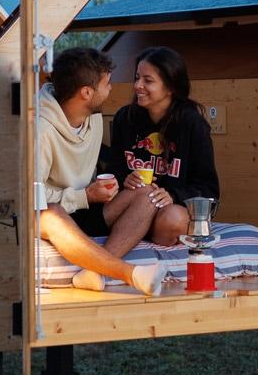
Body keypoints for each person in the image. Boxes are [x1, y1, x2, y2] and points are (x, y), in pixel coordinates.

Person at [35, 46, 161, 295]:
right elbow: (30, 196)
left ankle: (92, 272)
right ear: (86, 92)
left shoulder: (93, 118)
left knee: (148, 195)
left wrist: (106, 189)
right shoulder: (40, 130)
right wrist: (84, 196)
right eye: (107, 83)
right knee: (50, 212)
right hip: (52, 213)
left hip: (86, 207)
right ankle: (130, 274)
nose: (111, 89)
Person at [100, 45, 219, 257]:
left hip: (168, 212)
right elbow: (114, 168)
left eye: (148, 80)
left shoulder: (192, 124)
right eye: (137, 77)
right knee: (143, 197)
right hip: (132, 204)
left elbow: (208, 189)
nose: (138, 85)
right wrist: (124, 178)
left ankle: (127, 240)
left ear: (171, 86)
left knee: (173, 219)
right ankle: (118, 246)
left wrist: (173, 195)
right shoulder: (124, 118)